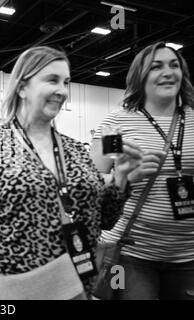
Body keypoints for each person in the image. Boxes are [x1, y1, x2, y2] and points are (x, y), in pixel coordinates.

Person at [0, 46, 143, 300]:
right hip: (7, 289)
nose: (62, 91)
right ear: (22, 87)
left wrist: (122, 180)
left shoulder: (76, 151)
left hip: (74, 285)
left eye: (66, 82)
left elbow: (105, 220)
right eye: (52, 80)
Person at [90, 42, 194, 300]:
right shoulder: (116, 122)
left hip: (189, 254)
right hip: (130, 253)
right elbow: (90, 184)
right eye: (156, 67)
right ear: (141, 75)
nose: (168, 72)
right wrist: (123, 178)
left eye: (174, 65)